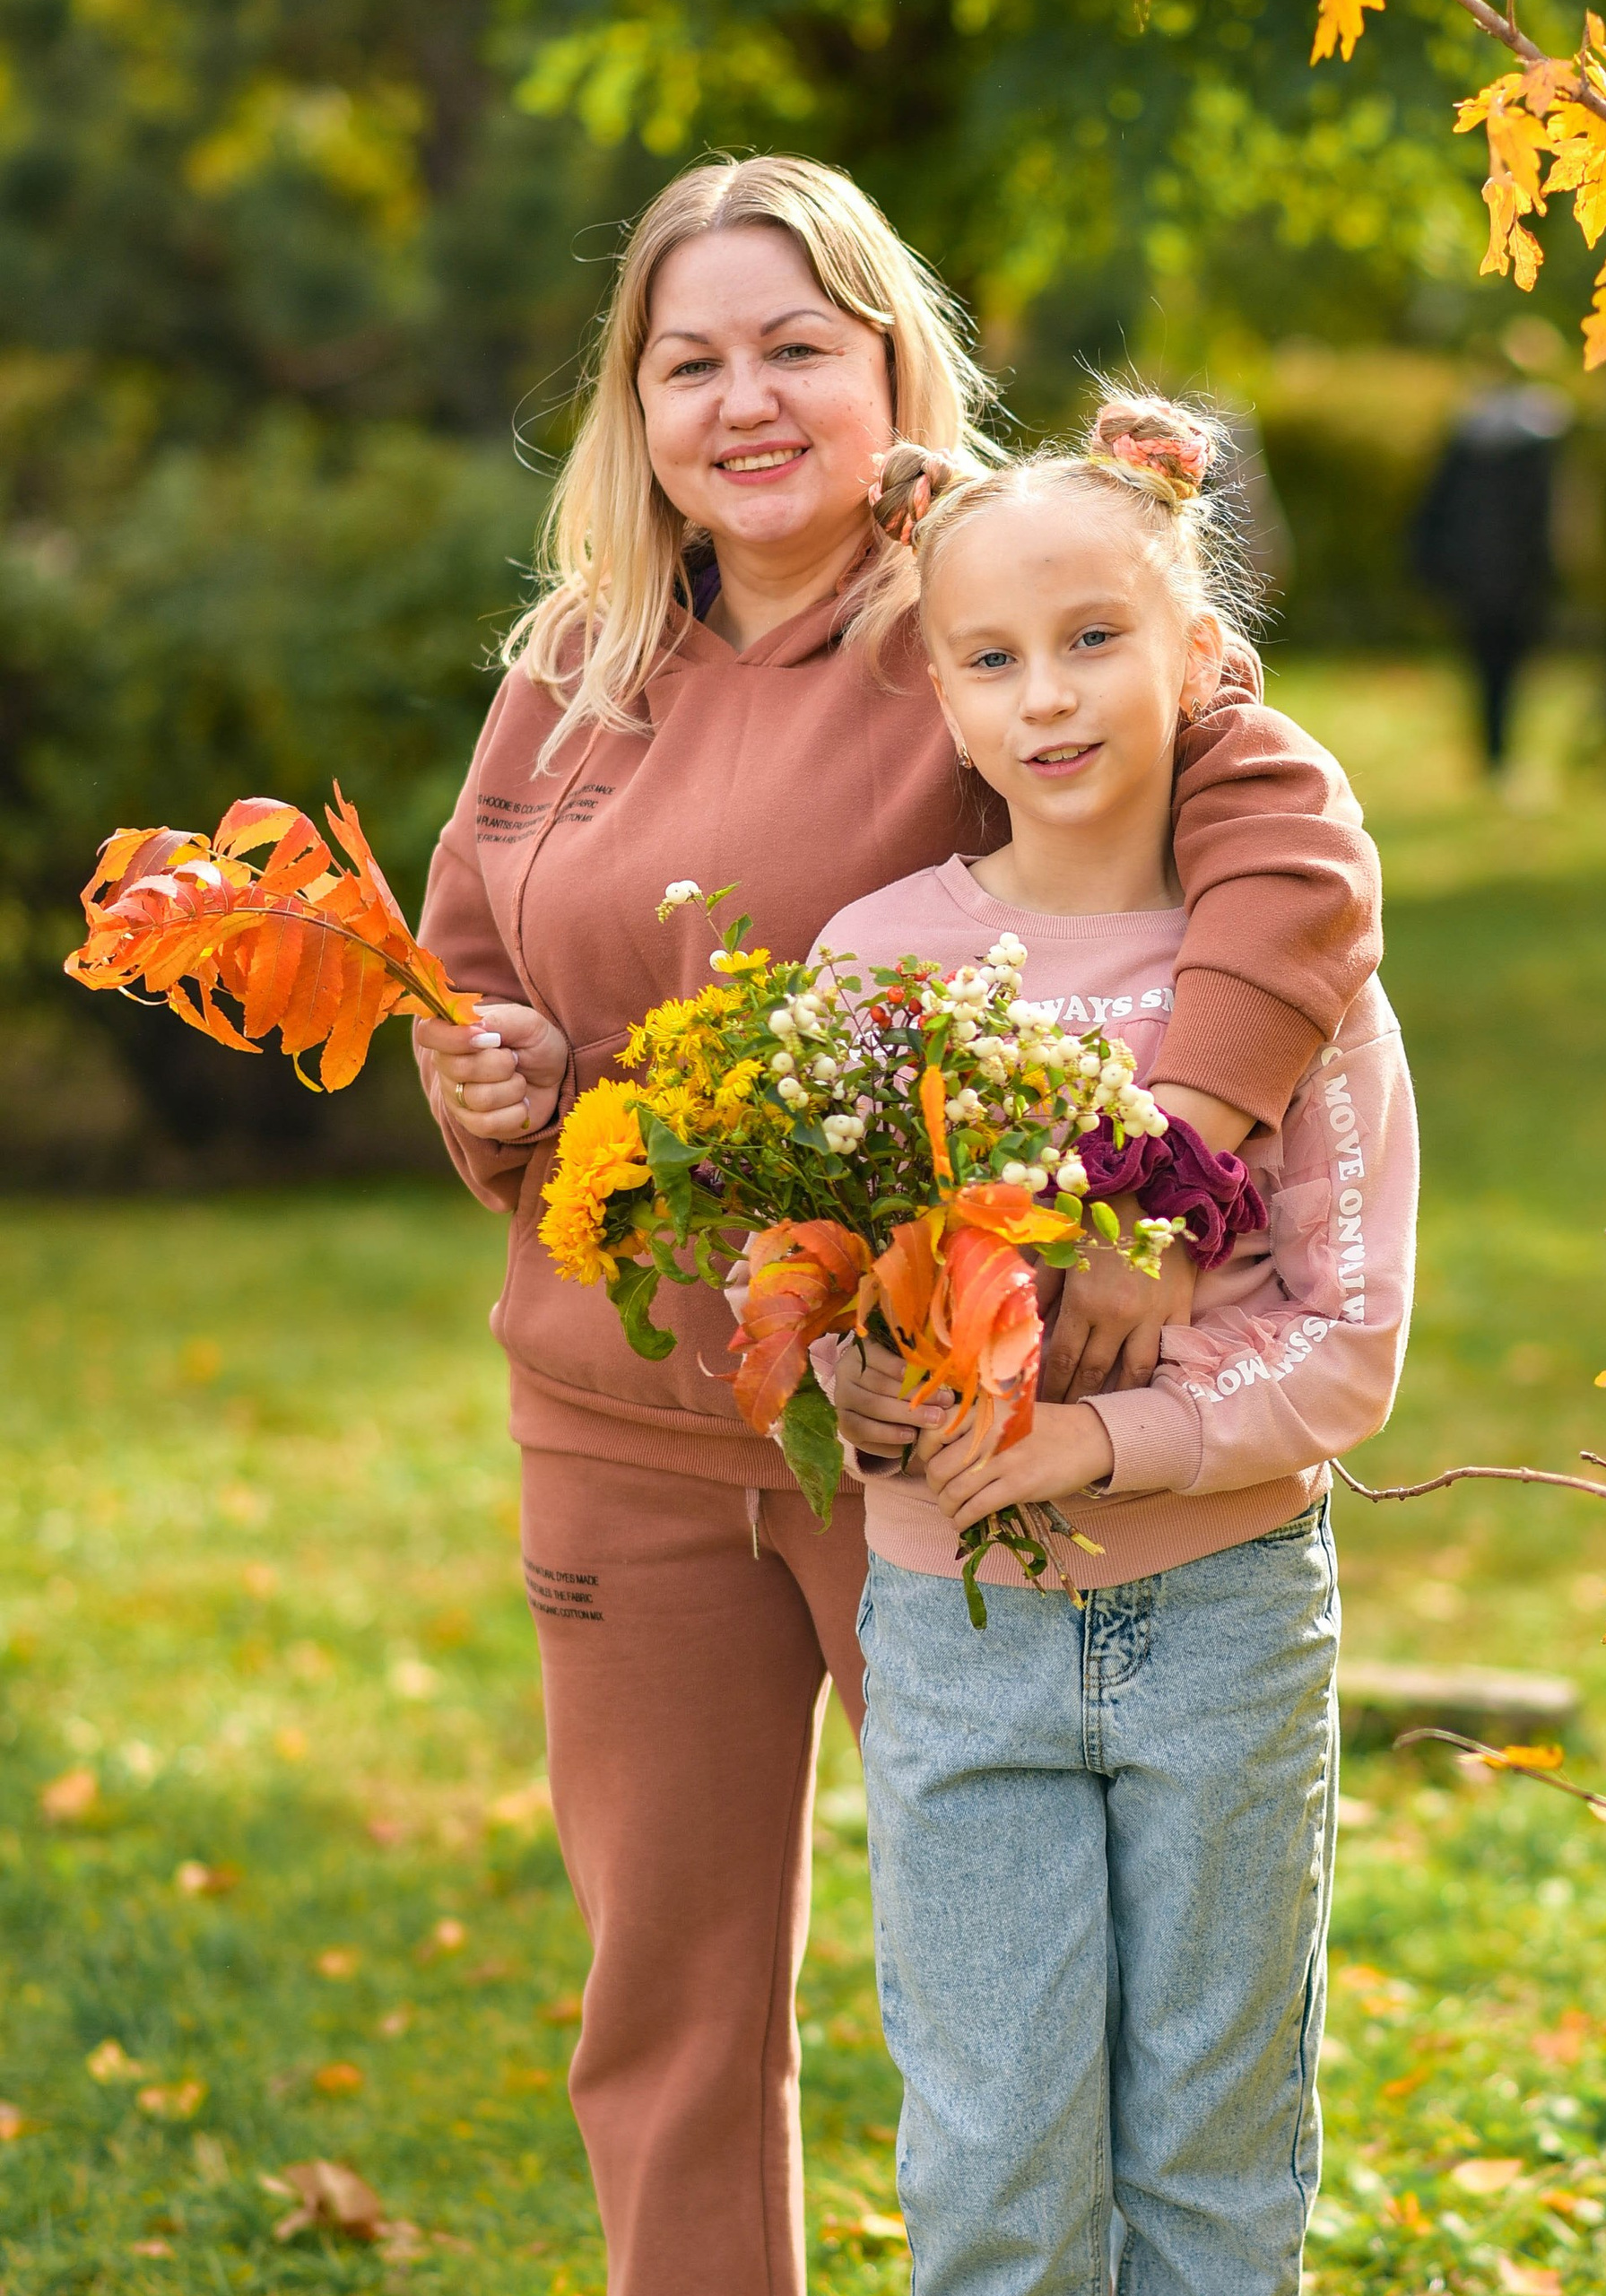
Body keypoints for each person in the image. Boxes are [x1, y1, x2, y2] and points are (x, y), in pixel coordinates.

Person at [406, 158, 1381, 2296]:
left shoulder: (988, 606)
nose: (742, 401)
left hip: (932, 1437)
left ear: (886, 366)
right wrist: (480, 1080)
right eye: (688, 362)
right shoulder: (571, 664)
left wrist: (1172, 1176)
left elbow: (1292, 851)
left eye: (792, 348)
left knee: (1027, 2023)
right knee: (663, 2002)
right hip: (616, 1427)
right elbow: (468, 961)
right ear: (632, 406)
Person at [821, 397, 1417, 2296]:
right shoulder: (874, 967)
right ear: (939, 694)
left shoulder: (1285, 983)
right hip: (958, 1629)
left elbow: (1347, 1346)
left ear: (1194, 652)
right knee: (993, 2169)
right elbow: (823, 1285)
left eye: (1094, 637)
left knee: (1213, 2166)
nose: (1049, 696)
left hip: (1226, 1620)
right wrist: (862, 1379)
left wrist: (1099, 1441)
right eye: (992, 658)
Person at [1411, 378, 1571, 772]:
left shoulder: (1466, 442)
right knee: (1509, 671)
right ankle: (1499, 753)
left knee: (1487, 671)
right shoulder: (1544, 447)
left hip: (1474, 578)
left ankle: (1494, 752)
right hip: (1521, 580)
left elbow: (1434, 513)